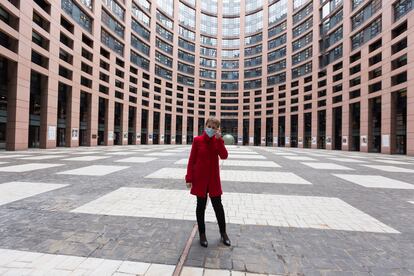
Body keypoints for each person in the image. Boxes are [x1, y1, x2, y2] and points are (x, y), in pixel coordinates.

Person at [185, 117, 231, 247]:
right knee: (200, 207)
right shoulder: (197, 141)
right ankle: (202, 234)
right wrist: (189, 178)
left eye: (214, 127)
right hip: (200, 180)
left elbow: (224, 156)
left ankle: (223, 233)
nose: (211, 129)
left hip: (213, 180)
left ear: (217, 129)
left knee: (218, 207)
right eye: (209, 126)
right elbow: (191, 161)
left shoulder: (217, 141)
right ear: (205, 126)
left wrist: (220, 140)